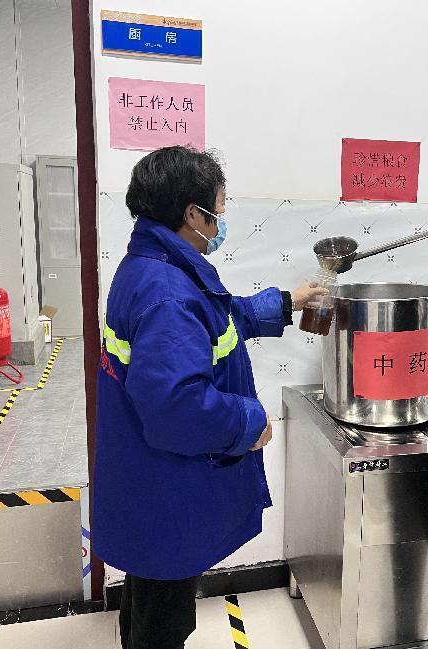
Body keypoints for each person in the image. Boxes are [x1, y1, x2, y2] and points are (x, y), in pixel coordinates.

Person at [92, 146, 327, 649]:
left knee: (148, 596)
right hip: (166, 487)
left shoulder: (155, 266)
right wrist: (249, 421)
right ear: (192, 215)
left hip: (148, 481)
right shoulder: (167, 293)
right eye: (218, 211)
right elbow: (177, 407)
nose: (220, 223)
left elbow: (218, 321)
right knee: (163, 620)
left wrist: (287, 303)